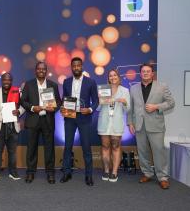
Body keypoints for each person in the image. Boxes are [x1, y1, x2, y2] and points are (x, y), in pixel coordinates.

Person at [127, 63, 175, 189]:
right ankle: (147, 173)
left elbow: (171, 102)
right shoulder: (133, 88)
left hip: (156, 125)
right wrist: (130, 123)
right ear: (140, 73)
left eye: (148, 71)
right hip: (139, 125)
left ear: (152, 73)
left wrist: (156, 107)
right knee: (143, 152)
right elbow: (130, 108)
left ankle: (162, 177)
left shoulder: (162, 86)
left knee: (159, 152)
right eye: (143, 71)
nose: (146, 73)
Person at [60, 57, 98, 186]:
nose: (76, 68)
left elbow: (96, 101)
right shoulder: (66, 82)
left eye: (78, 66)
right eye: (74, 66)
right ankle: (66, 173)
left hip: (84, 117)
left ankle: (88, 176)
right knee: (68, 146)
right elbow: (64, 99)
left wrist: (90, 109)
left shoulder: (90, 82)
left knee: (86, 147)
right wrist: (62, 107)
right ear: (71, 67)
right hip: (70, 117)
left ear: (82, 66)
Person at [21, 62, 61, 184]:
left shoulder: (53, 85)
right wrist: (33, 108)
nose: (41, 71)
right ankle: (30, 172)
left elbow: (58, 102)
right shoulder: (28, 84)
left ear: (46, 71)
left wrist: (53, 108)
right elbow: (23, 101)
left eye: (43, 69)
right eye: (39, 69)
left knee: (49, 148)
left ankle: (50, 173)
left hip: (47, 120)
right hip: (33, 119)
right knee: (31, 148)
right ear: (36, 70)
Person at [0, 72, 25, 181]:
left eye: (9, 80)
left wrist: (19, 111)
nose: (6, 82)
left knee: (12, 151)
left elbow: (23, 106)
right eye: (4, 80)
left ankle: (13, 172)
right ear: (1, 81)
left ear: (11, 81)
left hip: (13, 126)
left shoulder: (17, 92)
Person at [97, 69, 130, 182]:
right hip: (104, 123)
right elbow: (97, 108)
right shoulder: (103, 89)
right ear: (108, 78)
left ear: (118, 77)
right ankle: (106, 170)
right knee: (105, 147)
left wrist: (125, 102)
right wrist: (100, 101)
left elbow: (128, 109)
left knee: (116, 147)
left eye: (114, 75)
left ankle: (114, 172)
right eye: (110, 76)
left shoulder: (125, 91)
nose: (112, 77)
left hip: (117, 123)